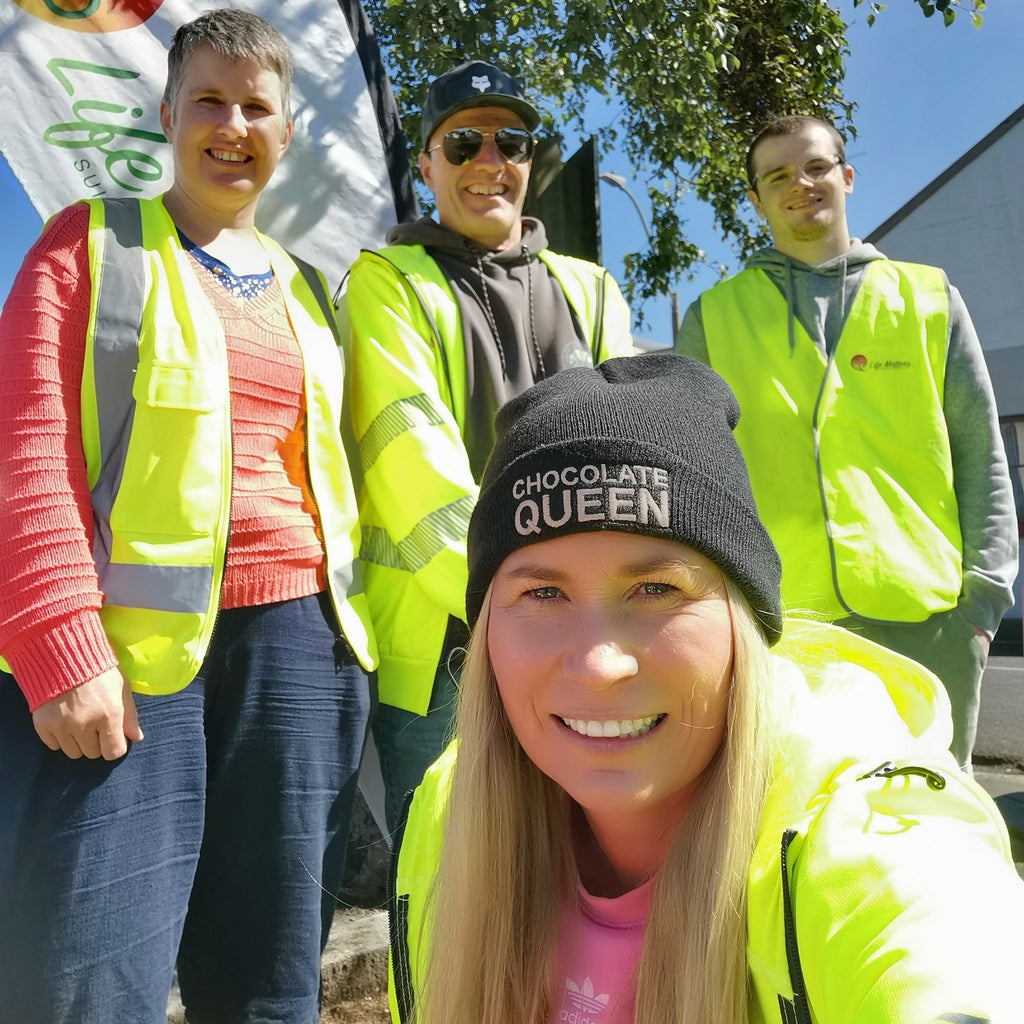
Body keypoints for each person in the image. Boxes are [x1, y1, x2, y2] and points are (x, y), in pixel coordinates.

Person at [386, 351, 1022, 1024]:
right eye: (543, 592)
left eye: (657, 589)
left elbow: (946, 950)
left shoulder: (867, 827)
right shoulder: (445, 813)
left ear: (741, 617)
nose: (600, 665)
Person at [0, 11, 376, 1024]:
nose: (231, 122)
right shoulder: (90, 245)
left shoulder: (308, 292)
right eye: (208, 98)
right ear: (166, 114)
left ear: (285, 132)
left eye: (257, 105)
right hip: (127, 671)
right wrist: (59, 646)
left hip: (303, 659)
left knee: (270, 984)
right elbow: (28, 446)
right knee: (84, 981)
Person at [344, 58, 635, 832]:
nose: (489, 162)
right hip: (447, 651)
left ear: (531, 162)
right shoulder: (385, 281)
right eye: (464, 142)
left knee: (576, 887)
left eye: (511, 142)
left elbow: (631, 448)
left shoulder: (592, 289)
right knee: (445, 901)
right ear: (427, 167)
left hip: (582, 635)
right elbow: (413, 467)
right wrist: (532, 606)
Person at [675, 114, 1017, 770]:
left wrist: (981, 604)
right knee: (795, 830)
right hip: (784, 626)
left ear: (847, 176)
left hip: (930, 623)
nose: (799, 184)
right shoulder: (713, 318)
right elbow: (693, 480)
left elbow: (981, 454)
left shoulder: (929, 298)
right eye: (777, 176)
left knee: (933, 832)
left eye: (815, 166)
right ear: (756, 199)